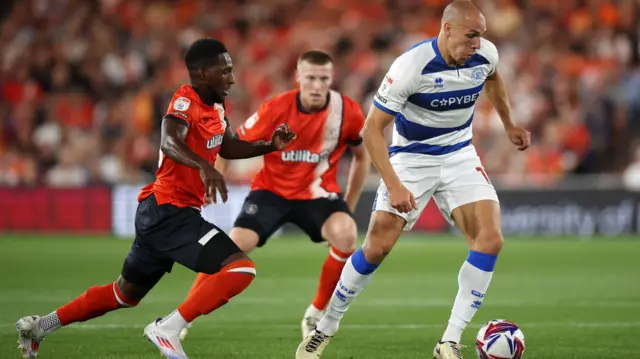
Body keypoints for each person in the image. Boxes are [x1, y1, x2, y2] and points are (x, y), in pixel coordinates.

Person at [15, 38, 296, 359]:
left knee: (123, 294)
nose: (232, 78)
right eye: (226, 71)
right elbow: (169, 142)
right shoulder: (184, 101)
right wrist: (204, 166)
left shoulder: (216, 107)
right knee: (239, 269)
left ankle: (39, 326)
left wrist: (269, 146)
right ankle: (168, 328)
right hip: (169, 212)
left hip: (161, 215)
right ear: (203, 73)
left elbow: (229, 146)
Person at [296, 1, 531, 359]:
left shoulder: (485, 55)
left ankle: (449, 341)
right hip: (411, 159)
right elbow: (372, 130)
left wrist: (509, 123)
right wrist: (393, 184)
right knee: (376, 248)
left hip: (459, 154)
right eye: (471, 35)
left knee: (490, 240)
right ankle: (326, 325)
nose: (477, 43)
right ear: (447, 29)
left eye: (481, 36)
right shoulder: (411, 66)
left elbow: (494, 80)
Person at [179, 50, 370, 342]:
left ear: (332, 79)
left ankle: (316, 313)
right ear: (298, 78)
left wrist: (350, 204)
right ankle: (182, 317)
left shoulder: (348, 112)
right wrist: (213, 177)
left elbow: (361, 155)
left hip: (318, 194)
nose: (317, 85)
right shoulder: (276, 108)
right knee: (233, 246)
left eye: (323, 79)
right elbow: (232, 143)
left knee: (346, 234)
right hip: (271, 192)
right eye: (311, 78)